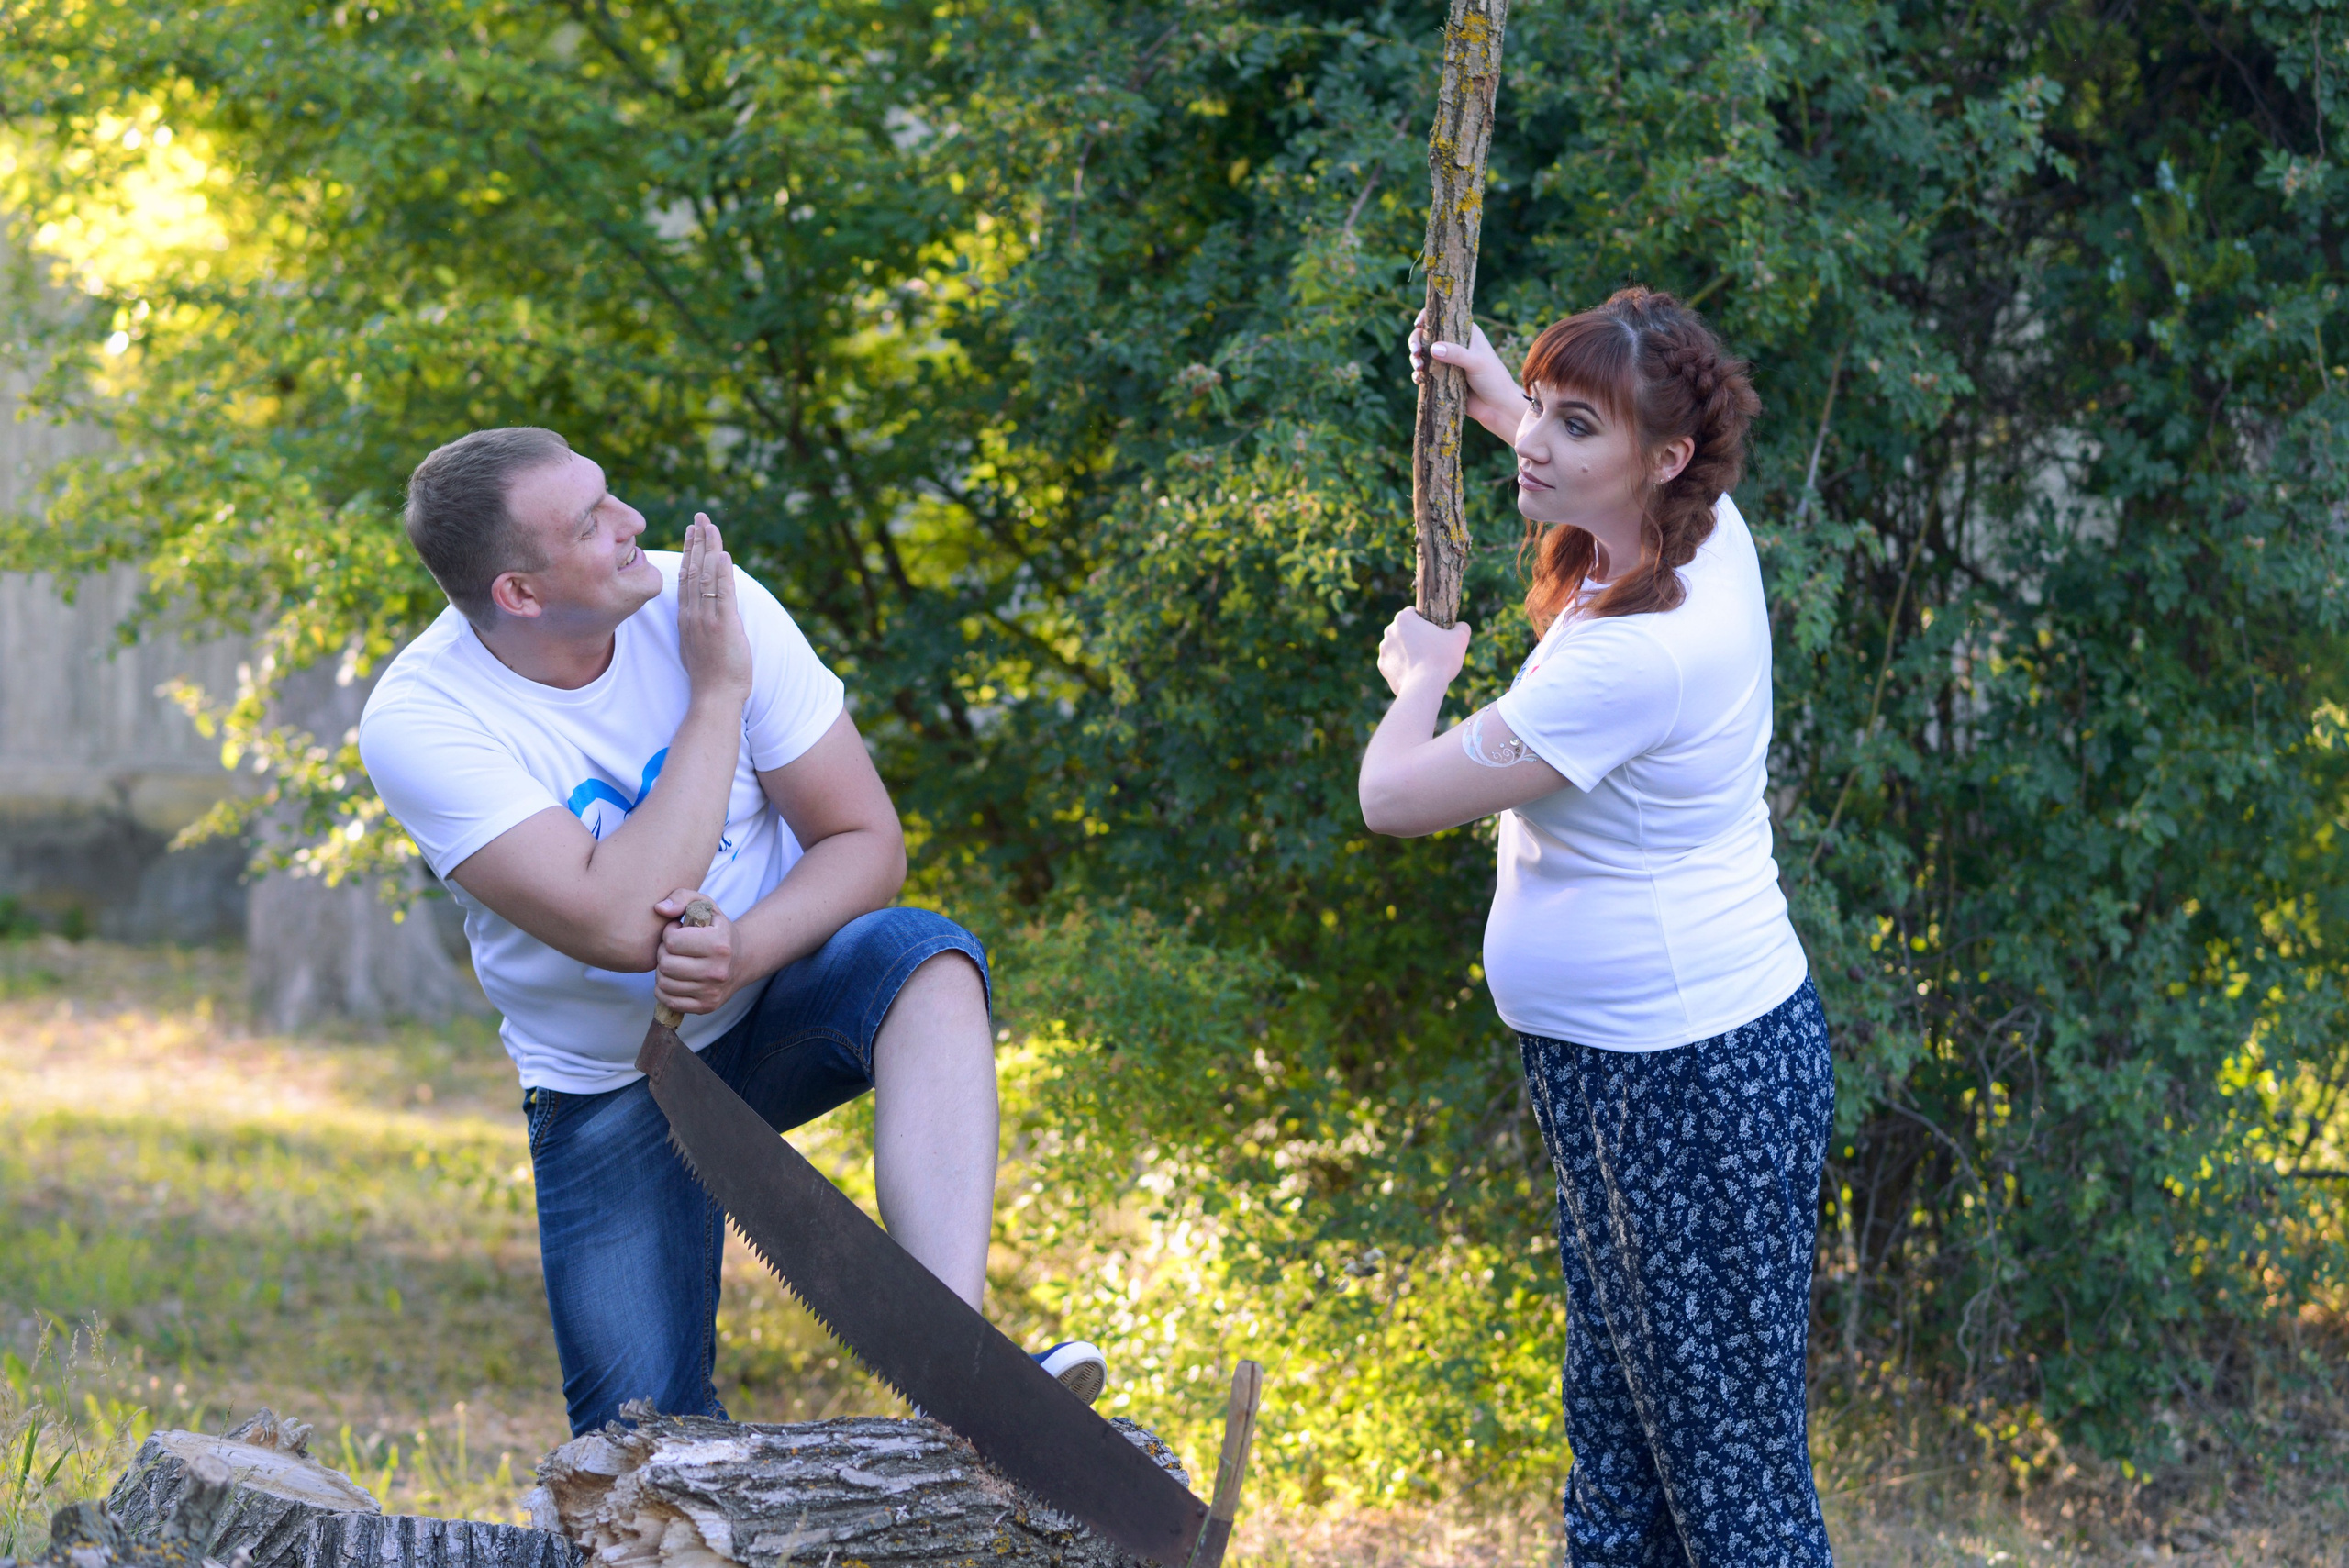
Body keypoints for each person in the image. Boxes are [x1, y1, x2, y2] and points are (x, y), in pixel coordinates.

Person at [358, 427, 1106, 1435]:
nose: (632, 525)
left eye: (609, 494)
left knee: (924, 955)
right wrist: (715, 694)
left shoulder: (713, 596)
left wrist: (747, 947)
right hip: (613, 1082)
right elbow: (623, 923)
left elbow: (865, 840)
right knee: (643, 1451)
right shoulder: (423, 717)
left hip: (779, 1001)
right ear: (520, 594)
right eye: (589, 522)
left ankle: (953, 1355)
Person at [1358, 290, 1833, 1565]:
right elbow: (1581, 462)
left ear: (1663, 457)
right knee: (1625, 1443)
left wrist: (1423, 682)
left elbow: (1393, 795)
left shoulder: (1639, 650)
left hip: (1690, 1080)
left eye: (1578, 425)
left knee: (1731, 1488)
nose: (1539, 446)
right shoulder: (1695, 527)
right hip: (1630, 1072)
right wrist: (1501, 406)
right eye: (1545, 413)